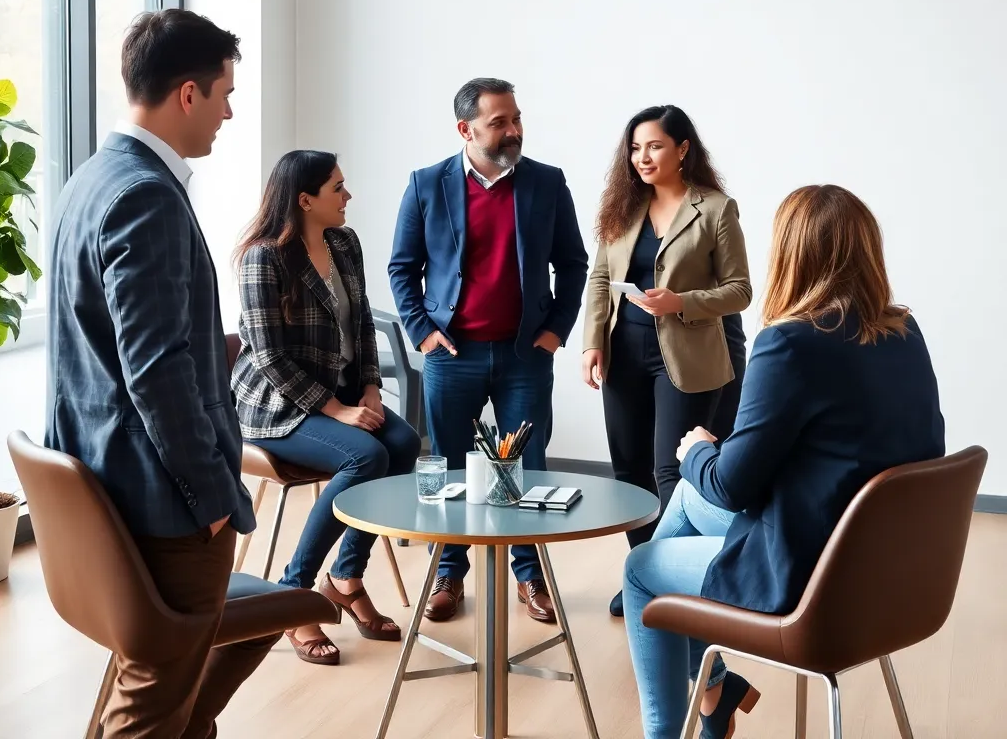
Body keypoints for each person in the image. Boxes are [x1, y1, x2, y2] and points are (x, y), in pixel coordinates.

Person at [623, 185, 946, 739]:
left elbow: (729, 485)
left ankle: (675, 721)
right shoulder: (904, 332)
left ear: (791, 253)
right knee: (682, 500)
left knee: (641, 569)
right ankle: (716, 695)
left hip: (808, 581)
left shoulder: (790, 344)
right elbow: (926, 452)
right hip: (888, 575)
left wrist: (696, 449)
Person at [45, 9, 268, 738]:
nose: (230, 112)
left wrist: (212, 347)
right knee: (151, 701)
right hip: (162, 503)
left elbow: (115, 343)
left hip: (108, 484)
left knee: (152, 684)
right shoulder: (146, 195)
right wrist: (211, 496)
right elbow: (155, 371)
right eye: (226, 93)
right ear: (187, 94)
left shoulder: (92, 178)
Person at [388, 77, 589, 624]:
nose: (514, 129)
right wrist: (423, 333)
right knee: (450, 465)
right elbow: (402, 268)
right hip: (453, 355)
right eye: (500, 121)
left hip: (525, 356)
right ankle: (448, 572)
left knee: (525, 466)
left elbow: (573, 263)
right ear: (466, 128)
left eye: (516, 117)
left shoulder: (546, 183)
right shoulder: (427, 184)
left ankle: (530, 576)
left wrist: (555, 332)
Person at [232, 150, 421, 666]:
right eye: (338, 187)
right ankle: (295, 596)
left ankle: (345, 578)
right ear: (305, 199)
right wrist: (336, 409)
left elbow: (360, 323)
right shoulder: (263, 257)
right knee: (366, 457)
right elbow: (268, 355)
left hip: (341, 392)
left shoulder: (343, 242)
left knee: (402, 443)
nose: (348, 195)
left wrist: (370, 389)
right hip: (277, 405)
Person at [581, 105, 752, 617]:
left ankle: (680, 580)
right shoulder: (621, 207)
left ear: (682, 149)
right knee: (628, 469)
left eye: (654, 146)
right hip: (623, 355)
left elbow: (740, 291)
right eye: (635, 148)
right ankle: (648, 573)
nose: (642, 157)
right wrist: (592, 342)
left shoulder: (716, 209)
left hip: (686, 355)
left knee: (670, 471)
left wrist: (682, 302)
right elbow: (599, 279)